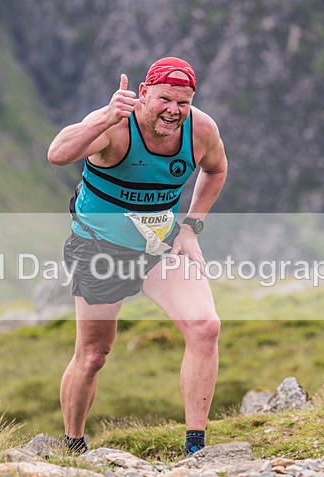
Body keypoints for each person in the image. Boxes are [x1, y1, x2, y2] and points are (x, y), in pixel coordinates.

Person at [47, 57, 228, 456]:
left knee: (205, 327)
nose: (173, 110)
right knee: (93, 356)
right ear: (143, 93)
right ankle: (73, 445)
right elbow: (58, 153)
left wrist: (191, 226)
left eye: (183, 102)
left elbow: (216, 170)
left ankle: (195, 449)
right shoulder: (114, 124)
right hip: (100, 249)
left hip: (159, 246)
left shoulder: (200, 129)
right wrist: (103, 119)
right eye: (164, 99)